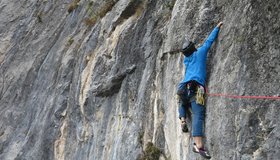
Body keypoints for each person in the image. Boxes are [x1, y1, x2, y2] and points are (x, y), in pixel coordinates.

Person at [177, 22, 223, 159]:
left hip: (182, 87)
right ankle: (198, 145)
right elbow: (209, 41)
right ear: (194, 48)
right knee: (198, 115)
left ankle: (182, 119)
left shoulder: (186, 61)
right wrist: (217, 27)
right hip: (197, 89)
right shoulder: (201, 53)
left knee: (182, 102)